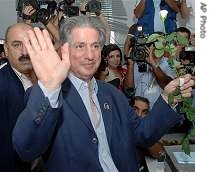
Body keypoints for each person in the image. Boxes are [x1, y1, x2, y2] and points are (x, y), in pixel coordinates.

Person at [13, 16, 194, 172]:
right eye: (80, 46)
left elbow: (142, 134)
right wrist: (50, 86)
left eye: (95, 46)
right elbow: (27, 149)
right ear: (65, 50)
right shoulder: (46, 94)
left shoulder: (112, 93)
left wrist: (168, 98)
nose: (90, 55)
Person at [0, 23, 37, 171]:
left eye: (30, 43)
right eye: (17, 45)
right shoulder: (2, 87)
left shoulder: (51, 78)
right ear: (6, 51)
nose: (25, 51)